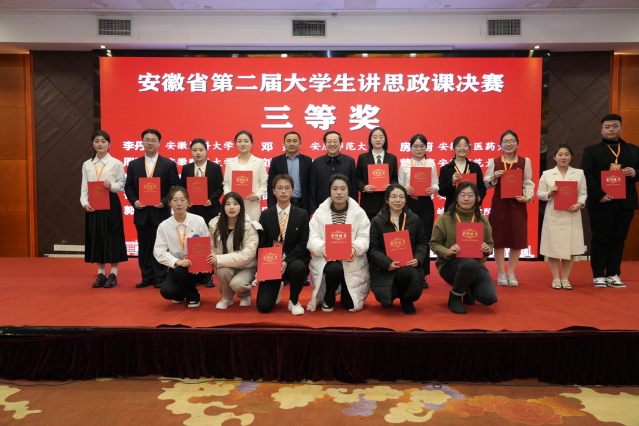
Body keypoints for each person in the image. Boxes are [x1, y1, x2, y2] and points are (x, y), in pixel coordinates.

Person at [581, 114, 639, 288]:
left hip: (625, 202)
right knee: (601, 238)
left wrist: (635, 173)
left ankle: (613, 274)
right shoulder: (591, 150)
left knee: (619, 239)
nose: (611, 129)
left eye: (615, 126)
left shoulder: (633, 149)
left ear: (621, 128)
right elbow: (586, 175)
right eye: (607, 127)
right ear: (601, 130)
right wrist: (599, 194)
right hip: (601, 202)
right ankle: (599, 274)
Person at [430, 182, 498, 314]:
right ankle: (455, 296)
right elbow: (434, 244)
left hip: (477, 266)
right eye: (462, 195)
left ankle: (467, 290)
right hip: (450, 265)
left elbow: (490, 244)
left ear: (477, 198)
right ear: (456, 197)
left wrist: (487, 249)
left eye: (470, 195)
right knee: (469, 263)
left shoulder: (482, 219)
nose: (466, 199)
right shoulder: (444, 219)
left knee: (489, 298)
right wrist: (447, 251)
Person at [124, 128, 180, 289]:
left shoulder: (169, 164)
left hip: (160, 211)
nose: (150, 143)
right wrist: (134, 201)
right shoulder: (133, 164)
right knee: (144, 245)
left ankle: (160, 276)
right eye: (147, 140)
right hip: (141, 212)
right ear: (142, 142)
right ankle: (146, 276)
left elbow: (174, 185)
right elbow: (129, 187)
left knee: (161, 244)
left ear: (159, 143)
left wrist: (164, 201)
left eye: (153, 140)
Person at [307, 174, 371, 312]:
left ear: (349, 190)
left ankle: (344, 288)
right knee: (334, 268)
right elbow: (313, 237)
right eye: (335, 189)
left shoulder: (359, 213)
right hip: (328, 259)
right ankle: (329, 297)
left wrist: (355, 248)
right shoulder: (320, 213)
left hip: (351, 260)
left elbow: (364, 237)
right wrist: (323, 249)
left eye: (343, 189)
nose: (339, 192)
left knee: (350, 305)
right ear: (330, 191)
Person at [368, 184, 429, 315]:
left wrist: (418, 258)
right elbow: (373, 248)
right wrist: (387, 263)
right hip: (384, 268)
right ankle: (391, 294)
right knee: (387, 299)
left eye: (402, 197)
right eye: (394, 196)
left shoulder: (414, 219)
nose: (398, 200)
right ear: (386, 199)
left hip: (409, 266)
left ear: (406, 199)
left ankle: (406, 300)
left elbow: (422, 243)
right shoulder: (377, 221)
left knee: (405, 272)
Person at [484, 130, 534, 287]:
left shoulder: (525, 161)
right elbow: (486, 184)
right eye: (505, 141)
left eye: (512, 141)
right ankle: (501, 272)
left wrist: (528, 197)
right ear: (500, 145)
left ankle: (511, 272)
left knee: (517, 238)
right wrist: (494, 176)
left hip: (517, 203)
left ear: (518, 144)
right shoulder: (495, 161)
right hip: (499, 204)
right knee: (498, 238)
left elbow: (528, 182)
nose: (509, 144)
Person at [257, 174, 311, 315]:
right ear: (273, 191)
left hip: (293, 260)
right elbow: (262, 244)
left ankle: (294, 300)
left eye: (287, 188)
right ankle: (278, 285)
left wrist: (286, 260)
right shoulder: (266, 215)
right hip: (271, 262)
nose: (283, 191)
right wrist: (264, 267)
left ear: (292, 191)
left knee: (299, 267)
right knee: (263, 307)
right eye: (279, 188)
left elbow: (303, 243)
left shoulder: (302, 214)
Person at [81, 130, 128, 288]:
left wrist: (111, 185)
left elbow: (122, 185)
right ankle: (101, 274)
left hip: (111, 203)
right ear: (92, 143)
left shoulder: (116, 163)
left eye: (103, 141)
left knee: (113, 237)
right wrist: (84, 203)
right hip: (94, 204)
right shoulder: (87, 164)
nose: (100, 144)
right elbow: (84, 187)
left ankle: (113, 274)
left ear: (109, 144)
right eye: (97, 141)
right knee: (97, 237)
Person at [537, 144, 587, 290]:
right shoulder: (547, 174)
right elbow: (539, 193)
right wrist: (549, 192)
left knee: (570, 248)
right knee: (553, 248)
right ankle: (556, 278)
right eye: (560, 154)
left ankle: (565, 278)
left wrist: (579, 204)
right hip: (554, 215)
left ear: (571, 157)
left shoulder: (579, 173)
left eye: (566, 154)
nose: (563, 157)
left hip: (572, 214)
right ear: (554, 157)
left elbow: (583, 192)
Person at [154, 187, 210, 308]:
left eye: (182, 200)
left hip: (198, 268)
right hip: (177, 267)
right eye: (175, 200)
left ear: (188, 202)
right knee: (167, 291)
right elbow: (158, 251)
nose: (179, 203)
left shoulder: (198, 220)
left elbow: (208, 244)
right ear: (170, 203)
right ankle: (182, 293)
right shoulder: (164, 226)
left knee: (181, 271)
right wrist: (176, 261)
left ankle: (193, 297)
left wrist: (203, 264)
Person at [208, 192, 262, 309]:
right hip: (226, 266)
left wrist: (218, 259)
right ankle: (227, 298)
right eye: (228, 204)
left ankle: (244, 295)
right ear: (223, 207)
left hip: (246, 267)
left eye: (235, 204)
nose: (231, 207)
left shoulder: (250, 226)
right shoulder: (215, 225)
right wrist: (205, 264)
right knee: (222, 272)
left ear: (241, 206)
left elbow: (246, 256)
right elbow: (212, 249)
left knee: (237, 284)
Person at [398, 134, 438, 286]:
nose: (419, 149)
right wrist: (404, 189)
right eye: (416, 146)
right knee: (408, 238)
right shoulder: (404, 164)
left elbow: (436, 183)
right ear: (410, 148)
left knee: (424, 239)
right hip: (409, 204)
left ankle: (422, 274)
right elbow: (399, 185)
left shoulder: (431, 164)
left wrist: (433, 189)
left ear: (426, 148)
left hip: (426, 204)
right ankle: (408, 271)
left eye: (422, 146)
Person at [222, 130, 268, 222]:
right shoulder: (230, 162)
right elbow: (226, 183)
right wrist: (229, 195)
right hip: (234, 204)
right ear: (235, 143)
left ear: (251, 143)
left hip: (251, 203)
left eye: (246, 141)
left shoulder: (259, 162)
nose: (243, 144)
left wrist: (257, 195)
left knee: (252, 228)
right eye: (239, 141)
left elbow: (264, 183)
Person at [309, 131, 358, 215]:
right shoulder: (317, 162)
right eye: (329, 141)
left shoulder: (349, 161)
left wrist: (353, 208)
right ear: (325, 144)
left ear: (340, 143)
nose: (332, 144)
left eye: (335, 141)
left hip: (345, 208)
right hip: (322, 209)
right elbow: (312, 189)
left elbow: (354, 187)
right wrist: (313, 211)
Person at [356, 126, 399, 219]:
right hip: (368, 201)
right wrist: (364, 187)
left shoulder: (392, 158)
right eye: (374, 137)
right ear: (370, 139)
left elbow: (395, 177)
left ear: (385, 139)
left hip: (386, 201)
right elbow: (357, 177)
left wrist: (391, 186)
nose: (378, 140)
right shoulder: (363, 157)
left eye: (381, 137)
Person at [179, 138, 224, 225]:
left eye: (201, 150)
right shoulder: (186, 168)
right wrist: (186, 200)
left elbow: (220, 187)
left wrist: (211, 200)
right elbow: (182, 187)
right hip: (192, 208)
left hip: (210, 209)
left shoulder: (215, 167)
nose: (198, 153)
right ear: (191, 151)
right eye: (194, 150)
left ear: (206, 151)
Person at [267, 131, 312, 215]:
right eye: (288, 141)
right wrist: (271, 207)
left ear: (300, 144)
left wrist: (311, 208)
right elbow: (271, 186)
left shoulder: (307, 161)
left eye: (295, 141)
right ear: (283, 144)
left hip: (302, 204)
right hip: (281, 203)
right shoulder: (276, 161)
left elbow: (311, 186)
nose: (291, 144)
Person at [438, 135, 487, 210]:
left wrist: (479, 197)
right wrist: (452, 182)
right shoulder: (445, 169)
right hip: (452, 208)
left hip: (471, 208)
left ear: (469, 148)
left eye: (465, 145)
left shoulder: (475, 167)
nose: (462, 148)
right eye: (459, 145)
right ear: (454, 148)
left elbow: (481, 187)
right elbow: (441, 191)